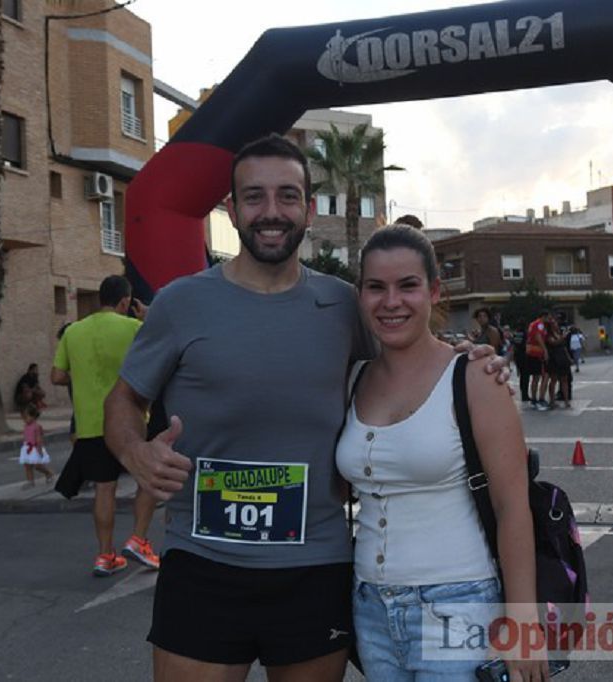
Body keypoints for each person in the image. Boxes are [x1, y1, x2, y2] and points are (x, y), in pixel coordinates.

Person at [103, 134, 509, 682]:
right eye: (254, 197)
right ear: (231, 208)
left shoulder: (344, 305)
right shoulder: (182, 302)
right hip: (202, 565)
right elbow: (125, 398)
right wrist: (134, 451)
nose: (271, 212)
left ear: (309, 210)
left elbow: (408, 354)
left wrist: (469, 357)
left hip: (314, 567)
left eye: (287, 196)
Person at [336, 226, 547, 680]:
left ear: (433, 291)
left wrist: (524, 620)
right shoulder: (354, 378)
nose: (391, 301)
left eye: (407, 285)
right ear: (361, 295)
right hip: (371, 606)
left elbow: (513, 506)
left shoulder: (474, 377)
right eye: (376, 287)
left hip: (459, 605)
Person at [51, 275, 158, 577]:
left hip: (90, 422)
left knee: (104, 489)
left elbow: (57, 376)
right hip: (131, 420)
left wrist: (83, 375)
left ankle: (104, 556)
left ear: (100, 299)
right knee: (148, 480)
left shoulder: (73, 332)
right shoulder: (135, 328)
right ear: (126, 302)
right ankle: (138, 539)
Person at [19, 403, 54, 488]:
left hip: (35, 448)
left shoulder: (37, 427)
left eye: (26, 417)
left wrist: (39, 449)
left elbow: (39, 438)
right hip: (27, 447)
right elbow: (26, 436)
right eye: (23, 417)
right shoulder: (26, 426)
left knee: (37, 465)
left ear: (33, 416)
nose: (24, 420)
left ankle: (48, 473)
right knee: (27, 465)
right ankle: (30, 481)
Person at [525, 310, 551, 410]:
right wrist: (545, 350)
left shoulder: (533, 324)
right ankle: (538, 399)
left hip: (532, 352)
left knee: (535, 377)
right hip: (536, 353)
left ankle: (534, 399)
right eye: (548, 317)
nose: (549, 319)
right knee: (539, 376)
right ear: (544, 316)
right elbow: (538, 336)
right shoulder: (540, 324)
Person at [545, 316, 572, 409]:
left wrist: (569, 358)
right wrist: (563, 337)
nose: (556, 325)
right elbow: (553, 343)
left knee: (564, 379)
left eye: (556, 323)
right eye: (554, 323)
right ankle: (552, 401)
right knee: (553, 380)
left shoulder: (559, 333)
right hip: (554, 358)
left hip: (562, 358)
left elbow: (564, 347)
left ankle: (566, 401)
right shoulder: (548, 335)